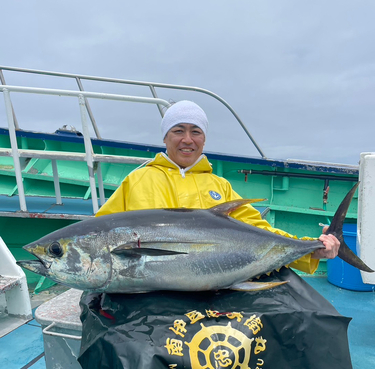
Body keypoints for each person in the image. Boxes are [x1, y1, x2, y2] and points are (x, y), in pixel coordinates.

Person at [96, 100, 340, 273]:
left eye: (196, 131)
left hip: (213, 284)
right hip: (148, 288)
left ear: (204, 139)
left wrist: (311, 249)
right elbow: (100, 235)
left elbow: (260, 232)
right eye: (178, 130)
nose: (187, 139)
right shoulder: (137, 180)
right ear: (165, 137)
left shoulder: (219, 185)